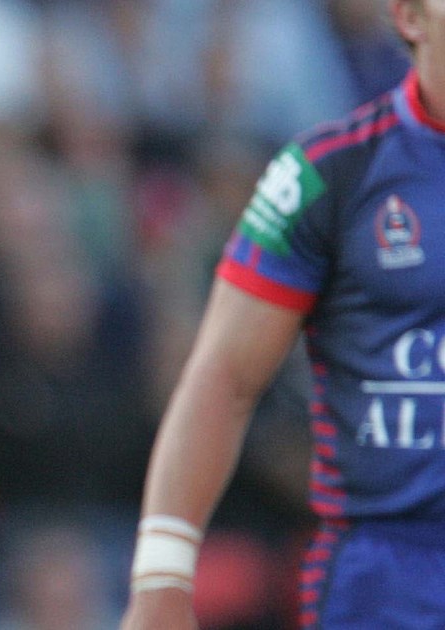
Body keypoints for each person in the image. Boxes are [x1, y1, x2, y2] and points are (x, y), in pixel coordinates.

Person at [123, 2, 445, 628]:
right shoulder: (328, 176)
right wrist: (162, 578)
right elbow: (223, 376)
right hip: (386, 585)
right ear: (410, 17)